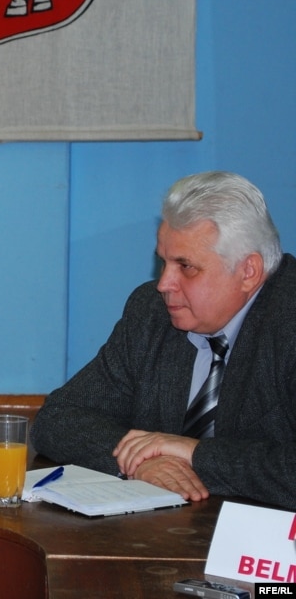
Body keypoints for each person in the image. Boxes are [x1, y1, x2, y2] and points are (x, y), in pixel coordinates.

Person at [31, 171, 296, 511]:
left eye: (186, 266)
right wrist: (142, 460)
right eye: (163, 262)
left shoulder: (287, 322)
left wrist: (194, 453)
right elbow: (58, 419)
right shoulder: (151, 313)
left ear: (248, 271)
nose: (164, 284)